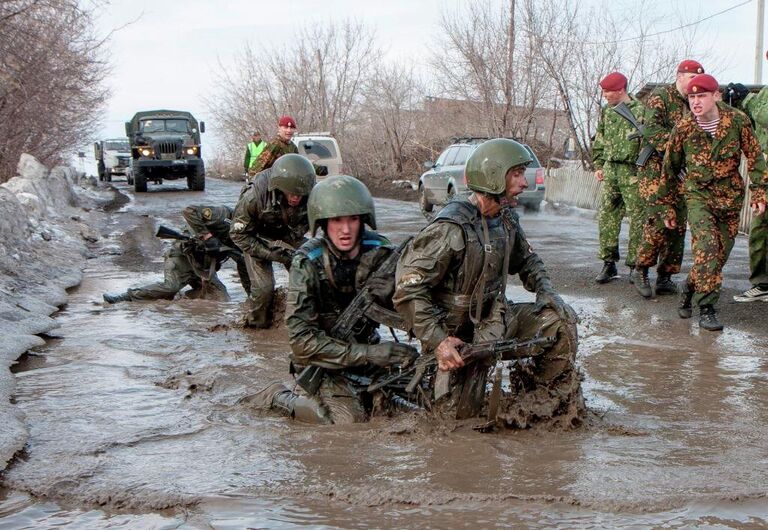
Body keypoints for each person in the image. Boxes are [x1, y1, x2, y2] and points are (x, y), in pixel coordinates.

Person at [393, 138, 583, 427]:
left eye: (523, 174)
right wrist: (438, 341)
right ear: (494, 177)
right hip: (456, 341)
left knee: (559, 322)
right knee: (457, 423)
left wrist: (547, 291)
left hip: (497, 321)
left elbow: (529, 262)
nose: (525, 184)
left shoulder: (505, 219)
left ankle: (543, 400)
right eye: (516, 175)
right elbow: (408, 290)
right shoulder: (450, 229)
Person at [247, 175, 417, 424]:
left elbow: (417, 303)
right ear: (322, 223)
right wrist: (370, 354)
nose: (345, 230)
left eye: (353, 220)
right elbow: (301, 342)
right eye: (336, 220)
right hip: (324, 363)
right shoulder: (307, 263)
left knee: (415, 401)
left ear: (364, 221)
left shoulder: (382, 252)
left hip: (369, 353)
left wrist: (395, 295)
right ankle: (280, 397)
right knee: (346, 423)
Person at [654, 73, 768, 331]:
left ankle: (689, 286)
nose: (696, 101)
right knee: (706, 249)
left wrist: (760, 192)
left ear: (716, 96)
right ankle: (707, 308)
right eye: (692, 96)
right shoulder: (684, 127)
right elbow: (669, 170)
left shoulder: (737, 121)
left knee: (717, 258)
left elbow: (755, 157)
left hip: (729, 199)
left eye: (702, 96)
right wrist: (667, 206)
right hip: (698, 197)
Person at [633, 59, 705, 298]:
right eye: (691, 80)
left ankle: (665, 276)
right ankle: (641, 270)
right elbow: (651, 130)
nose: (694, 86)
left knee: (678, 224)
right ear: (680, 76)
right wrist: (676, 147)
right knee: (658, 220)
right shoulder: (660, 97)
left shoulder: (693, 103)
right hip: (655, 168)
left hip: (679, 170)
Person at [230, 154, 316, 328]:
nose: (295, 199)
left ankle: (308, 321)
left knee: (312, 272)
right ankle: (256, 327)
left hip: (288, 234)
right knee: (263, 290)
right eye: (291, 194)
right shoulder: (254, 196)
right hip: (255, 237)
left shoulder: (312, 195)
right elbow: (238, 234)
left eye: (300, 195)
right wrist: (270, 254)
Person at [102, 205, 250, 303]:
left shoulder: (243, 236)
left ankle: (184, 299)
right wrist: (207, 237)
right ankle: (126, 297)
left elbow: (243, 265)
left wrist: (251, 295)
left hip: (203, 269)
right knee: (170, 287)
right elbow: (189, 211)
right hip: (182, 257)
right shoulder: (221, 214)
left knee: (221, 300)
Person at [591, 71, 646, 284]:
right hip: (611, 169)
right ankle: (608, 263)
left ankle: (636, 265)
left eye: (608, 91)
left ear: (621, 90)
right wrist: (598, 163)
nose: (605, 95)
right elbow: (600, 137)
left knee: (637, 217)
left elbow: (648, 141)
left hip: (633, 170)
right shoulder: (607, 111)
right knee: (607, 216)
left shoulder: (641, 111)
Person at [726, 73, 768, 302]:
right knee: (760, 227)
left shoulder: (760, 96)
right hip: (764, 168)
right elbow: (753, 124)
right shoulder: (764, 91)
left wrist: (747, 99)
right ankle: (762, 283)